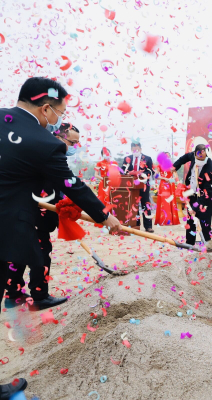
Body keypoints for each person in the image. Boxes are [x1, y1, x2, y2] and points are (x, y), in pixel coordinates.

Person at [0, 77, 121, 399]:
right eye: (59, 113)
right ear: (45, 108)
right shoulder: (44, 142)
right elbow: (71, 184)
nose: (57, 120)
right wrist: (105, 216)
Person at [5, 123, 82, 309]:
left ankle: (13, 294)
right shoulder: (48, 154)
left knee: (20, 253)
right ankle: (39, 296)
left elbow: (58, 185)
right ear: (58, 137)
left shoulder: (43, 152)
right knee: (40, 254)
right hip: (34, 214)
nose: (74, 147)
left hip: (26, 213)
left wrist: (64, 203)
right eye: (72, 142)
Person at [172, 144, 212, 245]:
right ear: (195, 154)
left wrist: (195, 207)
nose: (200, 160)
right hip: (192, 193)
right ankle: (190, 243)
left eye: (202, 159)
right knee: (190, 221)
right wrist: (175, 166)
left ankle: (207, 244)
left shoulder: (211, 168)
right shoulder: (192, 155)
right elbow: (183, 158)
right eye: (198, 158)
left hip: (205, 199)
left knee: (204, 222)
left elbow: (207, 192)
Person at [121, 140, 154, 232]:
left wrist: (142, 174)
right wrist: (127, 173)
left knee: (145, 204)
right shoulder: (127, 158)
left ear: (140, 149)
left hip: (143, 185)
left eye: (137, 149)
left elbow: (150, 171)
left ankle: (148, 226)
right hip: (131, 186)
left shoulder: (147, 158)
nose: (136, 151)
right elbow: (123, 170)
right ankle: (136, 224)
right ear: (131, 149)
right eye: (134, 149)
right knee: (133, 205)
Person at [155, 152, 180, 226]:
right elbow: (156, 176)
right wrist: (164, 178)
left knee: (171, 201)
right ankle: (165, 220)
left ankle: (172, 220)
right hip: (163, 184)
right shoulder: (159, 166)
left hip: (171, 184)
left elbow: (175, 176)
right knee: (164, 201)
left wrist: (173, 180)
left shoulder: (172, 165)